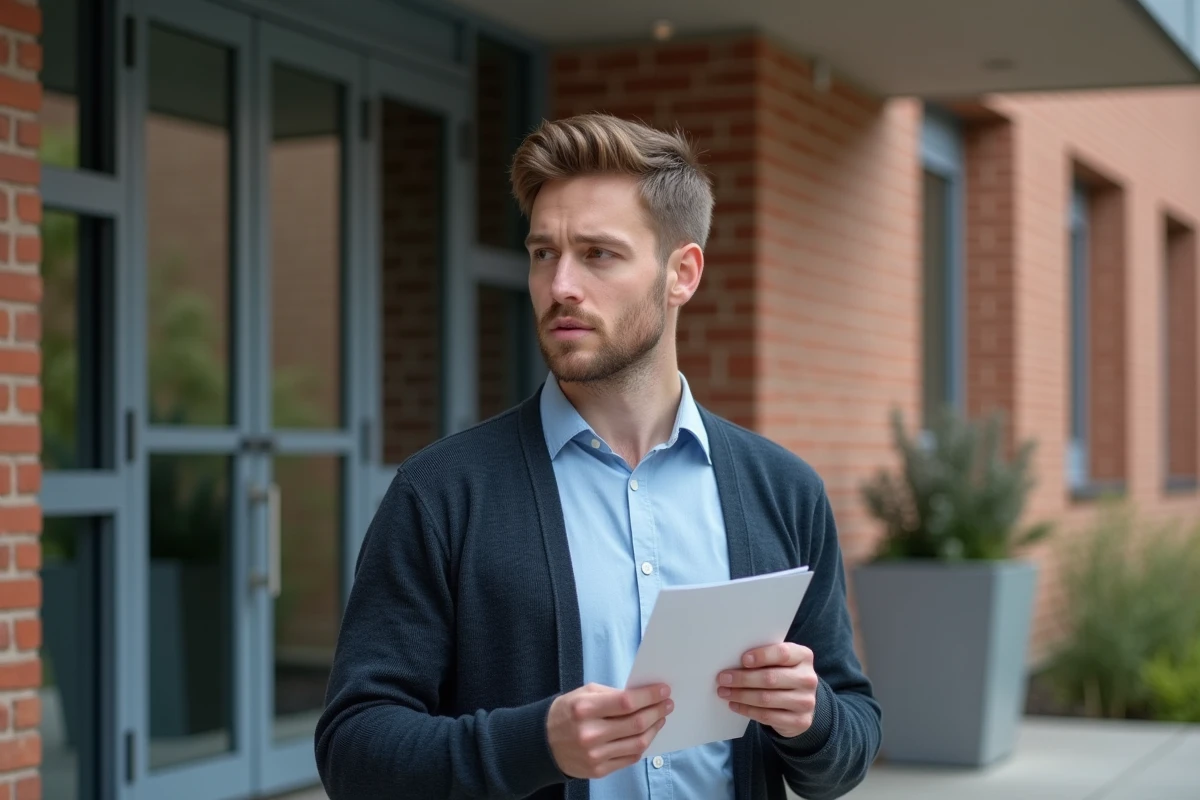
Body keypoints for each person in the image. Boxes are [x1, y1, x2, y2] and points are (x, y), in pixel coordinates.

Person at [314, 112, 881, 800]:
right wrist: (532, 745)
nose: (559, 288)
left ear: (683, 274)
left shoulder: (783, 490)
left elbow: (849, 743)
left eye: (598, 254)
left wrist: (812, 717)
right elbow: (354, 752)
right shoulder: (441, 494)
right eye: (543, 254)